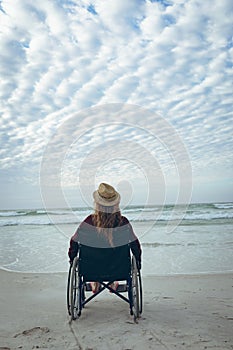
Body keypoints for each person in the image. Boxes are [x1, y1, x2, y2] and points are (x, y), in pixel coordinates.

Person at [68, 182, 142, 293]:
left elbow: (74, 241)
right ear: (116, 204)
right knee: (111, 260)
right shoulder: (123, 223)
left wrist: (72, 258)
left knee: (97, 260)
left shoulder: (88, 223)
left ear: (97, 204)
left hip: (91, 270)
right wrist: (138, 261)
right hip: (119, 269)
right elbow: (135, 245)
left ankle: (96, 283)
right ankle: (112, 283)